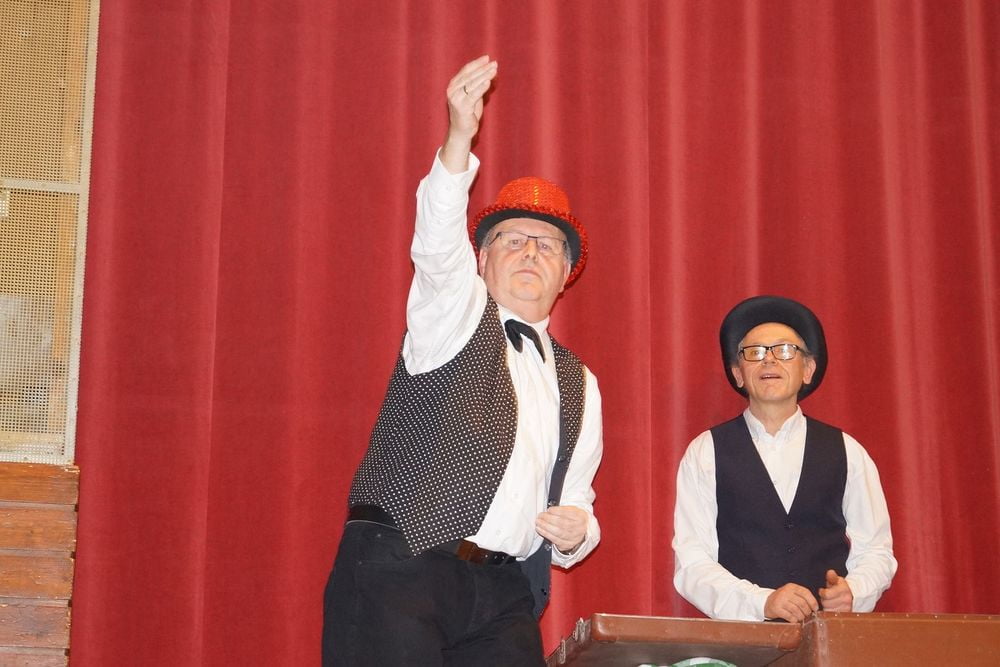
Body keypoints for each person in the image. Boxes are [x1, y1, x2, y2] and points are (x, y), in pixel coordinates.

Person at [322, 56, 603, 665]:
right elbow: (436, 245)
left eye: (548, 246)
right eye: (512, 239)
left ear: (565, 275)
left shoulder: (581, 382)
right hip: (402, 568)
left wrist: (580, 531)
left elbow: (579, 497)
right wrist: (458, 139)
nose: (530, 252)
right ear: (481, 259)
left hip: (504, 595)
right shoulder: (453, 311)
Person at [672, 295, 896, 623]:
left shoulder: (847, 450)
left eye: (785, 351)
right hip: (742, 639)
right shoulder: (705, 452)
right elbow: (692, 563)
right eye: (755, 352)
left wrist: (854, 591)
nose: (769, 360)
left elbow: (877, 550)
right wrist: (761, 602)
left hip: (829, 636)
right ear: (737, 373)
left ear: (808, 370)